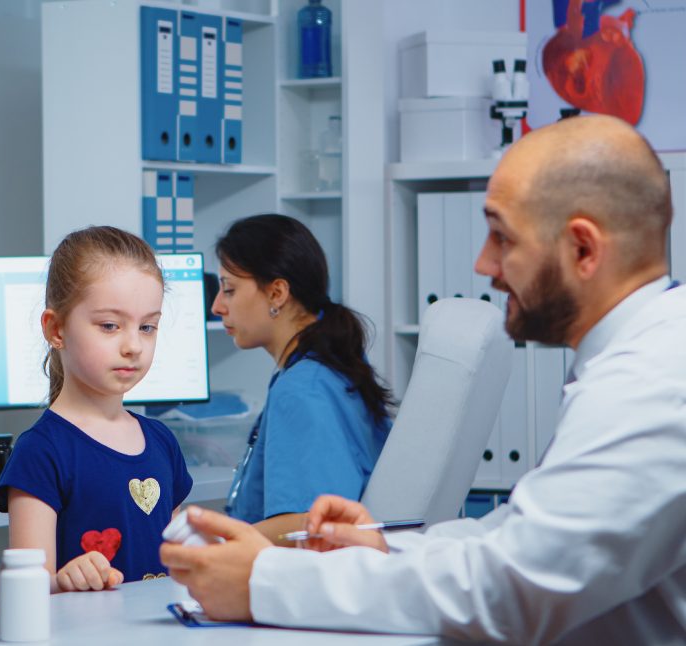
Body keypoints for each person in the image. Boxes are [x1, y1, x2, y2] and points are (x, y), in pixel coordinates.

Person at [161, 115, 686, 643]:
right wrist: (383, 549)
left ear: (584, 250)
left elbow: (509, 586)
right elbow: (514, 537)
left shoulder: (650, 384)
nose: (484, 264)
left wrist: (265, 581)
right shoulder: (637, 358)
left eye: (502, 236)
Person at [0, 226, 193, 593]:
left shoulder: (162, 442)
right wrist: (62, 582)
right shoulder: (40, 452)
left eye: (148, 327)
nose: (134, 345)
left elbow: (178, 564)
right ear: (56, 329)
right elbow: (27, 589)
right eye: (110, 326)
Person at [211, 214, 392, 542]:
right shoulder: (329, 367)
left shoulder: (303, 389)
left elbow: (308, 525)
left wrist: (219, 547)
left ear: (277, 293)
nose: (217, 306)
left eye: (229, 289)